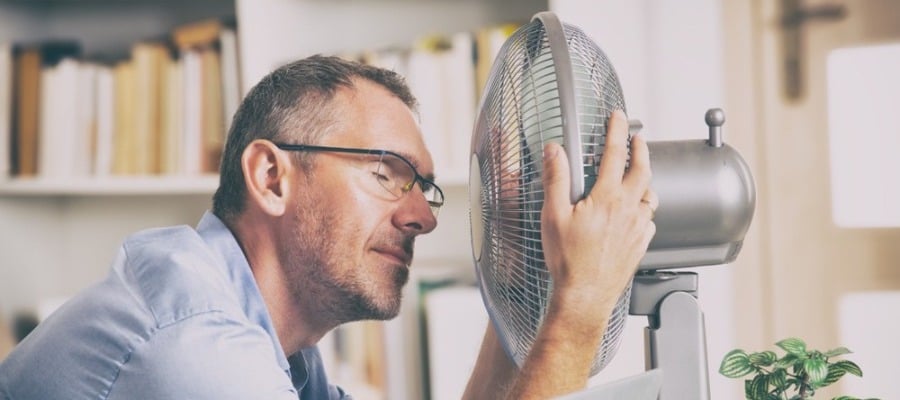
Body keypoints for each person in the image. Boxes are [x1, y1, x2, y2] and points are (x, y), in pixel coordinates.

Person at [0, 55, 656, 399]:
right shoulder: (196, 356)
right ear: (271, 177)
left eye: (424, 187)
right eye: (386, 173)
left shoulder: (277, 348)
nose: (424, 216)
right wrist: (579, 305)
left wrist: (519, 287)